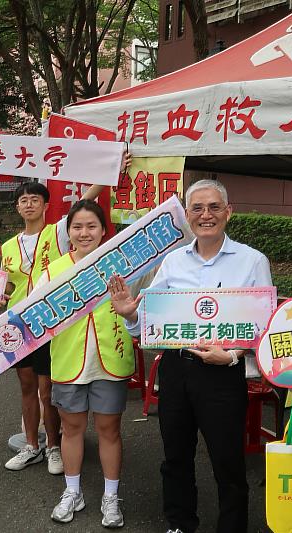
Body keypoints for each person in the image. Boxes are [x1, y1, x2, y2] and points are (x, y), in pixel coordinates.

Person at [110, 179, 271, 533]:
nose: (206, 215)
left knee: (228, 461)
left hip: (222, 373)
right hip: (177, 369)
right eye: (197, 208)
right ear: (187, 215)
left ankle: (232, 527)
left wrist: (231, 357)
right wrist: (131, 314)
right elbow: (149, 321)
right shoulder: (173, 261)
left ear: (228, 212)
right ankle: (180, 523)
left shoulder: (252, 261)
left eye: (214, 207)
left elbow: (261, 327)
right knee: (176, 455)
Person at [0, 182, 100, 475]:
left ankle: (53, 446)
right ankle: (31, 445)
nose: (28, 204)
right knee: (26, 387)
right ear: (17, 207)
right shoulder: (9, 245)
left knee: (46, 388)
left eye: (34, 199)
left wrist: (112, 167)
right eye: (23, 200)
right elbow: (10, 283)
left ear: (46, 205)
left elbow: (87, 199)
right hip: (20, 325)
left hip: (51, 323)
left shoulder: (58, 232)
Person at [33, 200, 132, 528]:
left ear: (104, 230)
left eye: (92, 226)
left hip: (111, 359)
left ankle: (110, 497)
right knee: (71, 429)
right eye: (77, 227)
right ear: (68, 231)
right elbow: (33, 318)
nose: (84, 233)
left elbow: (140, 306)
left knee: (109, 430)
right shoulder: (53, 271)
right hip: (69, 361)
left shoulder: (124, 264)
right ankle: (73, 492)